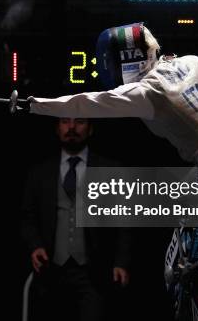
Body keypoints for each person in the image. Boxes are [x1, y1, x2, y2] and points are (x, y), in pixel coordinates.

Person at [22, 22, 198, 166]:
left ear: (127, 61)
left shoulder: (145, 91)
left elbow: (84, 104)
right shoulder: (189, 62)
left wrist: (33, 105)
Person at [21, 117, 132, 321]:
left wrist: (121, 262)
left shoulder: (110, 169)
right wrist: (35, 245)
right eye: (65, 122)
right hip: (51, 271)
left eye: (79, 121)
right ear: (57, 128)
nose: (71, 127)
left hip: (94, 272)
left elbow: (123, 221)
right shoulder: (40, 171)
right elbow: (27, 216)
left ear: (90, 129)